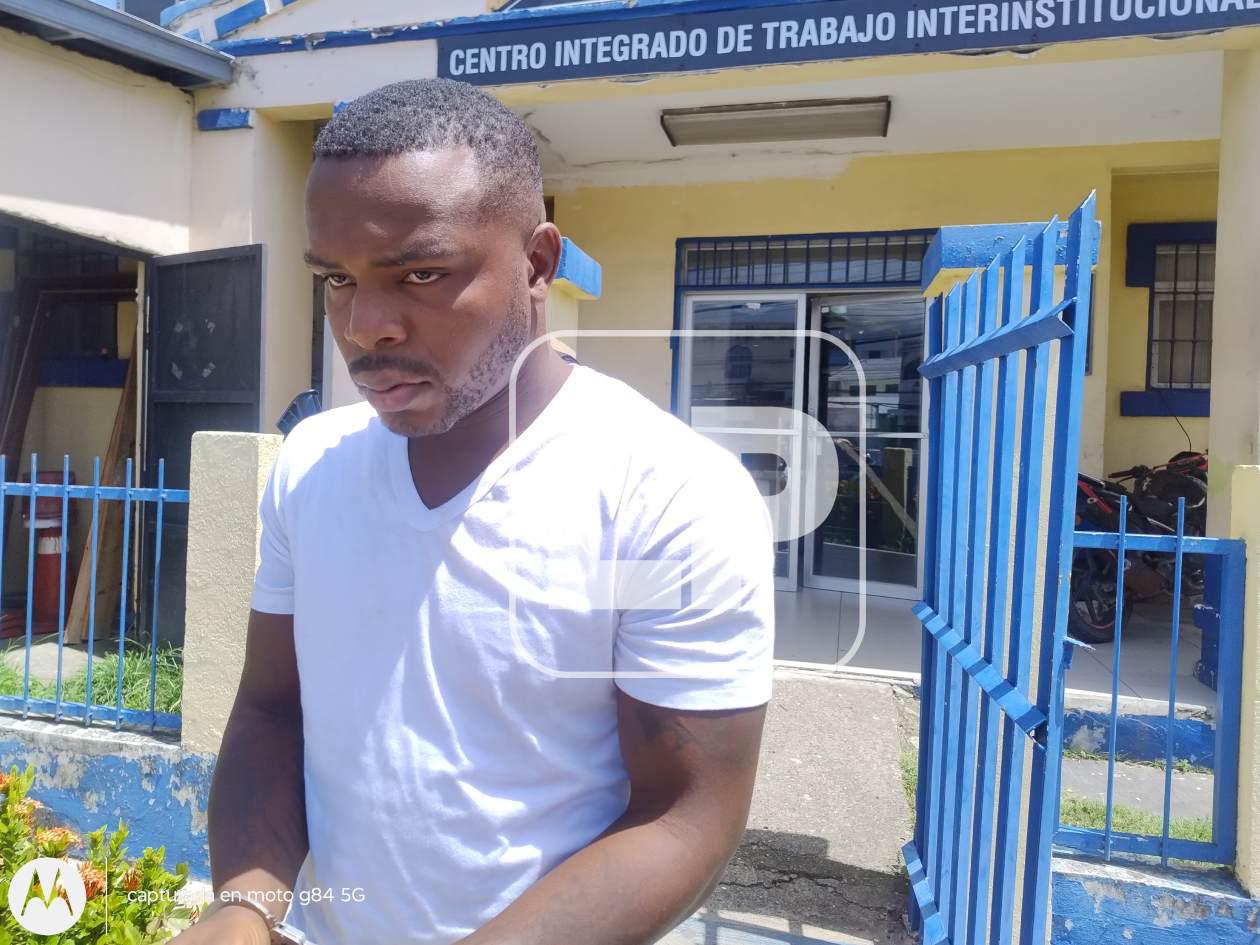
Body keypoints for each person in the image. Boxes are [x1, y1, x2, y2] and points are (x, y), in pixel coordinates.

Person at [173, 78, 775, 945]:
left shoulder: (666, 494)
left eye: (421, 273)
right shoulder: (312, 466)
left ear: (537, 263)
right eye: (336, 278)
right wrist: (245, 904)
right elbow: (274, 710)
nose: (365, 325)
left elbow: (682, 816)